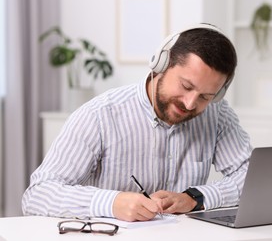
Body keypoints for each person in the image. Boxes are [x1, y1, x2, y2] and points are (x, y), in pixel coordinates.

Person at [22, 23, 252, 222]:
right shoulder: (100, 115)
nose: (191, 103)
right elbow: (38, 195)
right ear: (161, 64)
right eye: (186, 86)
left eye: (205, 97)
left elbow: (251, 177)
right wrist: (112, 202)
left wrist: (195, 198)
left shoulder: (217, 114)